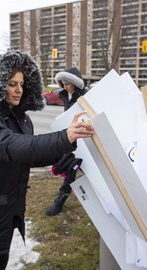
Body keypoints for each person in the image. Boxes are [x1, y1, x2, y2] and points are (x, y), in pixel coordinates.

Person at [0, 49, 94, 270]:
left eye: (22, 83)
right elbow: (10, 146)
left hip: (5, 215)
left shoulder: (21, 119)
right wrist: (62, 137)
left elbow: (25, 156)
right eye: (11, 83)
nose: (19, 89)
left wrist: (63, 151)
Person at [45, 67, 86, 216]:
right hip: (71, 137)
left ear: (75, 84)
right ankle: (60, 201)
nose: (64, 87)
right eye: (63, 83)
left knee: (89, 172)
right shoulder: (64, 95)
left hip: (85, 136)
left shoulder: (84, 96)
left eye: (67, 84)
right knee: (70, 170)